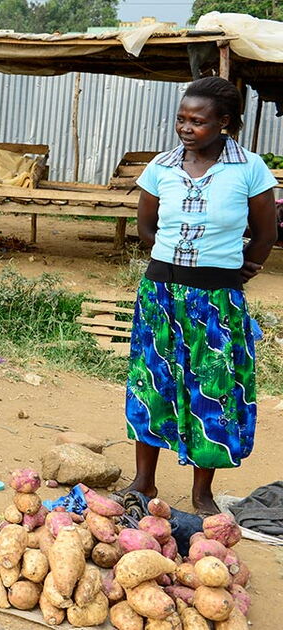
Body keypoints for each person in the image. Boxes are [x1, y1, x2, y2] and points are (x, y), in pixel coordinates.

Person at [125, 76, 276, 515]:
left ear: (225, 123)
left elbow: (266, 234)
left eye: (198, 121)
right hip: (160, 294)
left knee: (213, 390)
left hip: (217, 300)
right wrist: (170, 262)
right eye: (181, 118)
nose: (186, 127)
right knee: (152, 383)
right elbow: (147, 228)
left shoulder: (249, 169)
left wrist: (238, 270)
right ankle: (143, 482)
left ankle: (201, 494)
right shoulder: (161, 167)